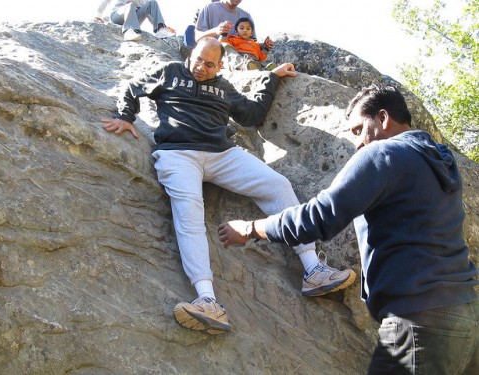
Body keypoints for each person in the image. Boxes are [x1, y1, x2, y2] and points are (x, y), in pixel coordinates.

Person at [102, 37, 355, 335]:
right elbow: (133, 88)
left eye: (209, 64)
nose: (200, 67)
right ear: (191, 55)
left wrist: (271, 78)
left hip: (222, 154)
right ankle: (207, 299)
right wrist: (125, 117)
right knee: (189, 213)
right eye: (197, 59)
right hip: (178, 154)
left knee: (277, 185)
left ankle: (313, 268)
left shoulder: (223, 87)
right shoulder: (169, 72)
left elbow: (252, 114)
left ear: (220, 65)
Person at [218, 84, 479, 373]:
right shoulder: (439, 158)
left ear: (382, 118)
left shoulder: (384, 154)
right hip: (466, 316)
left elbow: (319, 216)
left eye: (358, 130)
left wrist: (251, 227)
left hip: (418, 320)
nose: (357, 144)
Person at [195, 0, 273, 52]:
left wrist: (264, 46)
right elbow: (197, 38)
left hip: (241, 61)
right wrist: (216, 31)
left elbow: (252, 45)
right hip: (214, 58)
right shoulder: (209, 8)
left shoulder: (246, 16)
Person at [95, 0, 175, 42]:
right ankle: (129, 31)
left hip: (134, 17)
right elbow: (106, 1)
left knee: (153, 3)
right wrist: (98, 15)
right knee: (130, 5)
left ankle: (160, 30)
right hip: (118, 15)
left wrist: (163, 26)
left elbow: (149, 13)